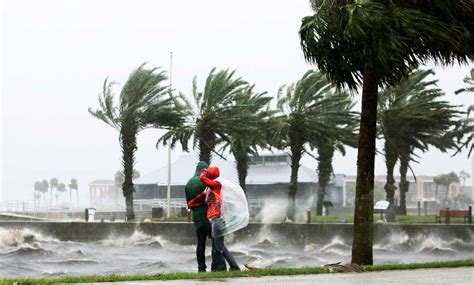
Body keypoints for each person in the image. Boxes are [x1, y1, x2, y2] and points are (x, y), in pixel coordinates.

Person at [188, 166, 241, 271]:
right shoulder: (209, 189)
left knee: (219, 246)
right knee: (218, 246)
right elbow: (200, 198)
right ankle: (224, 267)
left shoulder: (216, 185)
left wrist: (203, 172)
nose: (206, 174)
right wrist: (191, 203)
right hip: (214, 221)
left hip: (218, 220)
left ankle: (234, 267)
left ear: (211, 175)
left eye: (208, 173)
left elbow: (203, 179)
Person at [185, 161, 226, 272]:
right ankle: (215, 267)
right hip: (210, 217)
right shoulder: (207, 182)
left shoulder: (188, 183)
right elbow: (214, 198)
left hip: (198, 218)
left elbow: (188, 204)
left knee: (200, 243)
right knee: (215, 243)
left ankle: (201, 268)